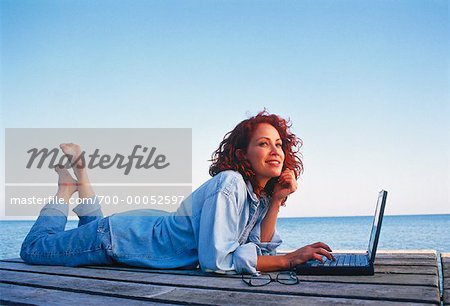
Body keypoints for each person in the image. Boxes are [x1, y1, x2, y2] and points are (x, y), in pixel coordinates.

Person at [20, 110, 333, 274]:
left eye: (278, 143)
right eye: (263, 143)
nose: (275, 150)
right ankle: (65, 191)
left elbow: (258, 250)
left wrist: (277, 200)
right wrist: (289, 259)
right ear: (241, 154)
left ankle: (82, 173)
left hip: (136, 233)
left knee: (90, 230)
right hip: (120, 239)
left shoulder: (258, 195)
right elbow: (217, 262)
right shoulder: (230, 184)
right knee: (34, 250)